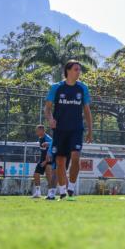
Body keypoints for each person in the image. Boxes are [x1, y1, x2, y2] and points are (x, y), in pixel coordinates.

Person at [45, 60, 93, 201]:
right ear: (68, 71)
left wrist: (90, 130)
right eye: (76, 69)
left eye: (79, 70)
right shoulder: (56, 88)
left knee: (76, 157)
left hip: (76, 129)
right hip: (60, 130)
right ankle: (62, 190)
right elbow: (47, 108)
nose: (79, 72)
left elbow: (87, 110)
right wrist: (50, 119)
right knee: (60, 161)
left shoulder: (83, 88)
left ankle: (71, 187)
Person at [31, 125, 55, 199]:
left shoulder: (47, 138)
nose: (36, 132)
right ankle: (38, 192)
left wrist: (45, 161)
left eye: (38, 130)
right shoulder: (40, 138)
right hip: (42, 159)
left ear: (42, 131)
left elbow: (53, 146)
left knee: (49, 176)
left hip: (49, 160)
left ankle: (50, 193)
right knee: (36, 174)